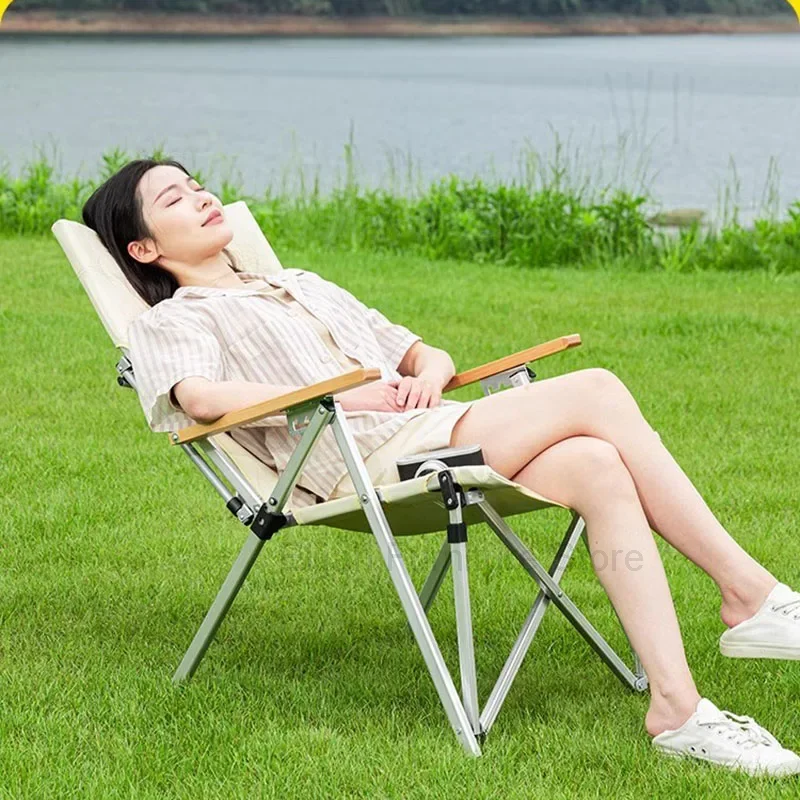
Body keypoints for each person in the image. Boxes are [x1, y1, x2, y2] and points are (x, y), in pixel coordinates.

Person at [83, 157, 800, 777]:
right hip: (364, 463)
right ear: (143, 249)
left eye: (199, 185)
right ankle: (748, 596)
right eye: (176, 199)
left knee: (596, 463)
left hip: (425, 426)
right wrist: (342, 390)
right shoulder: (174, 319)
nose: (202, 197)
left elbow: (420, 353)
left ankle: (677, 709)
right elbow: (200, 398)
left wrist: (431, 371)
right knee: (598, 388)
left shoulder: (299, 282)